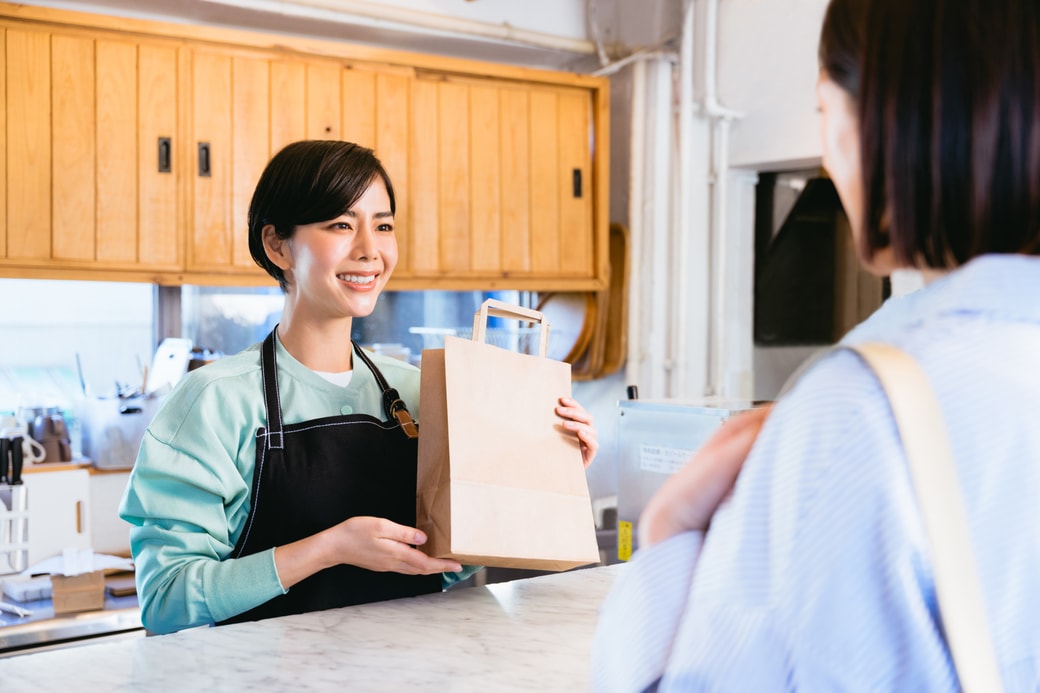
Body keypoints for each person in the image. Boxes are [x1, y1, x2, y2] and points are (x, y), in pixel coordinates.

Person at [591, 0, 1040, 689]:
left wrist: (670, 530)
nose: (828, 153)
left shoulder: (862, 408)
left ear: (888, 126)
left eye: (826, 111)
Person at [120, 140, 599, 635]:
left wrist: (543, 472)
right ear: (277, 245)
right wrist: (330, 548)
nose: (370, 250)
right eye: (341, 225)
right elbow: (166, 600)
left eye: (384, 225)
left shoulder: (420, 394)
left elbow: (443, 565)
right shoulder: (214, 402)